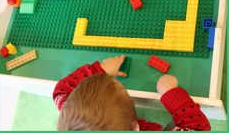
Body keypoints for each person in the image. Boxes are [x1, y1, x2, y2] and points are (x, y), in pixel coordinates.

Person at [53, 55, 211, 131]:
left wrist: (100, 71)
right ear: (135, 126)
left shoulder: (71, 114)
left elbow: (61, 91)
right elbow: (198, 128)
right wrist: (170, 92)